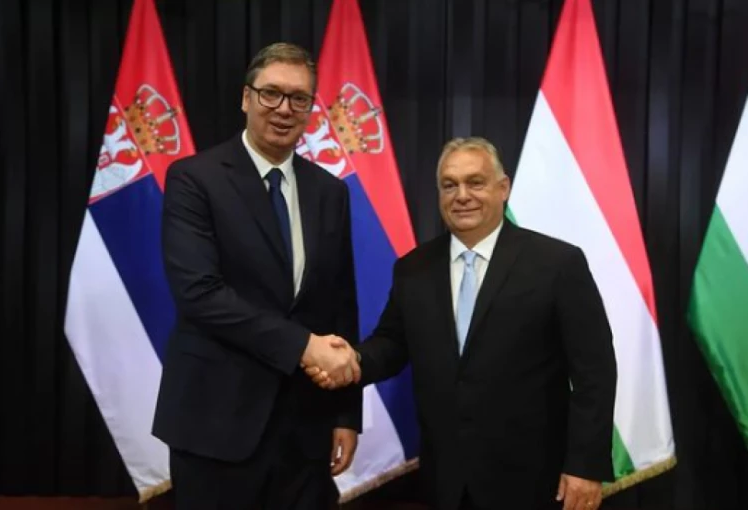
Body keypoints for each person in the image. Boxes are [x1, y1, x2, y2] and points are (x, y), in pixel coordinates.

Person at [306, 137, 617, 510]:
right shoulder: (413, 269)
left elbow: (595, 373)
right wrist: (350, 360)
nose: (462, 195)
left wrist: (584, 466)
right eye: (449, 185)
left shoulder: (557, 264)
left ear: (503, 188)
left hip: (536, 480)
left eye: (476, 182)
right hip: (446, 480)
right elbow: (391, 345)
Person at [152, 42, 362, 510]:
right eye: (271, 93)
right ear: (246, 98)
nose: (284, 109)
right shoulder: (194, 179)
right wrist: (304, 346)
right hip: (216, 424)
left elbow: (340, 303)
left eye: (299, 98)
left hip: (306, 430)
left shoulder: (330, 191)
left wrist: (346, 414)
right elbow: (200, 294)